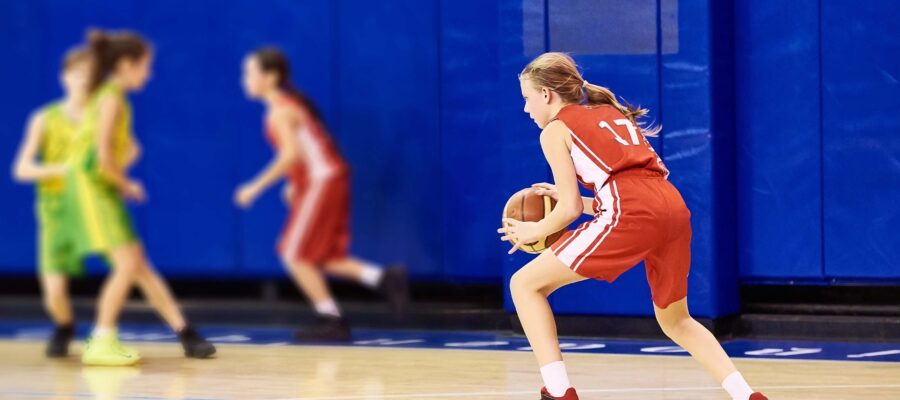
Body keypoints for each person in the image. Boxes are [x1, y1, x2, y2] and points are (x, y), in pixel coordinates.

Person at [498, 52, 767, 400]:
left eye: (527, 99)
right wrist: (579, 202)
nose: (525, 109)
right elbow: (617, 193)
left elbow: (567, 210)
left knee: (524, 285)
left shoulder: (554, 131)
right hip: (670, 207)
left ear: (546, 95)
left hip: (631, 211)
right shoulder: (609, 113)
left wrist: (534, 231)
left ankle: (559, 391)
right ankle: (746, 395)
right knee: (676, 320)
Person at [235, 47, 408, 342]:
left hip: (323, 181)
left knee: (293, 253)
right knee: (319, 255)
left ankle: (331, 318)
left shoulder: (281, 111)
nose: (245, 79)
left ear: (271, 77)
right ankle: (383, 278)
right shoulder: (288, 106)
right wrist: (294, 183)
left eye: (250, 72)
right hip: (326, 179)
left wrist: (255, 186)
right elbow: (306, 149)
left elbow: (290, 155)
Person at [63, 30, 215, 365]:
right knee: (128, 265)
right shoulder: (111, 98)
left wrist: (126, 156)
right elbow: (101, 156)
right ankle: (101, 339)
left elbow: (111, 150)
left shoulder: (112, 97)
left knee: (138, 264)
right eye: (146, 66)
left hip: (95, 187)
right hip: (91, 190)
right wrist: (126, 183)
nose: (150, 73)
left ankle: (185, 333)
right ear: (126, 65)